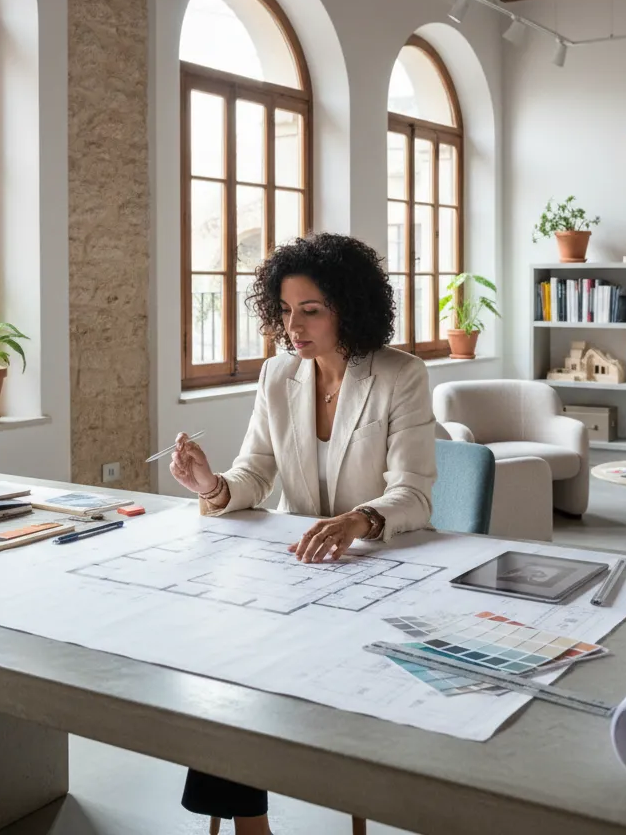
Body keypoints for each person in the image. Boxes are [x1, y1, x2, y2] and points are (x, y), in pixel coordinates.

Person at [170, 232, 436, 835]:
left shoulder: (401, 375)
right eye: (286, 310)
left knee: (273, 656)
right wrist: (211, 485)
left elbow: (414, 494)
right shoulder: (277, 373)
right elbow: (256, 472)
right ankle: (252, 825)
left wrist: (357, 520)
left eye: (311, 310)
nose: (293, 326)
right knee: (233, 654)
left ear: (350, 309)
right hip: (299, 568)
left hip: (377, 567)